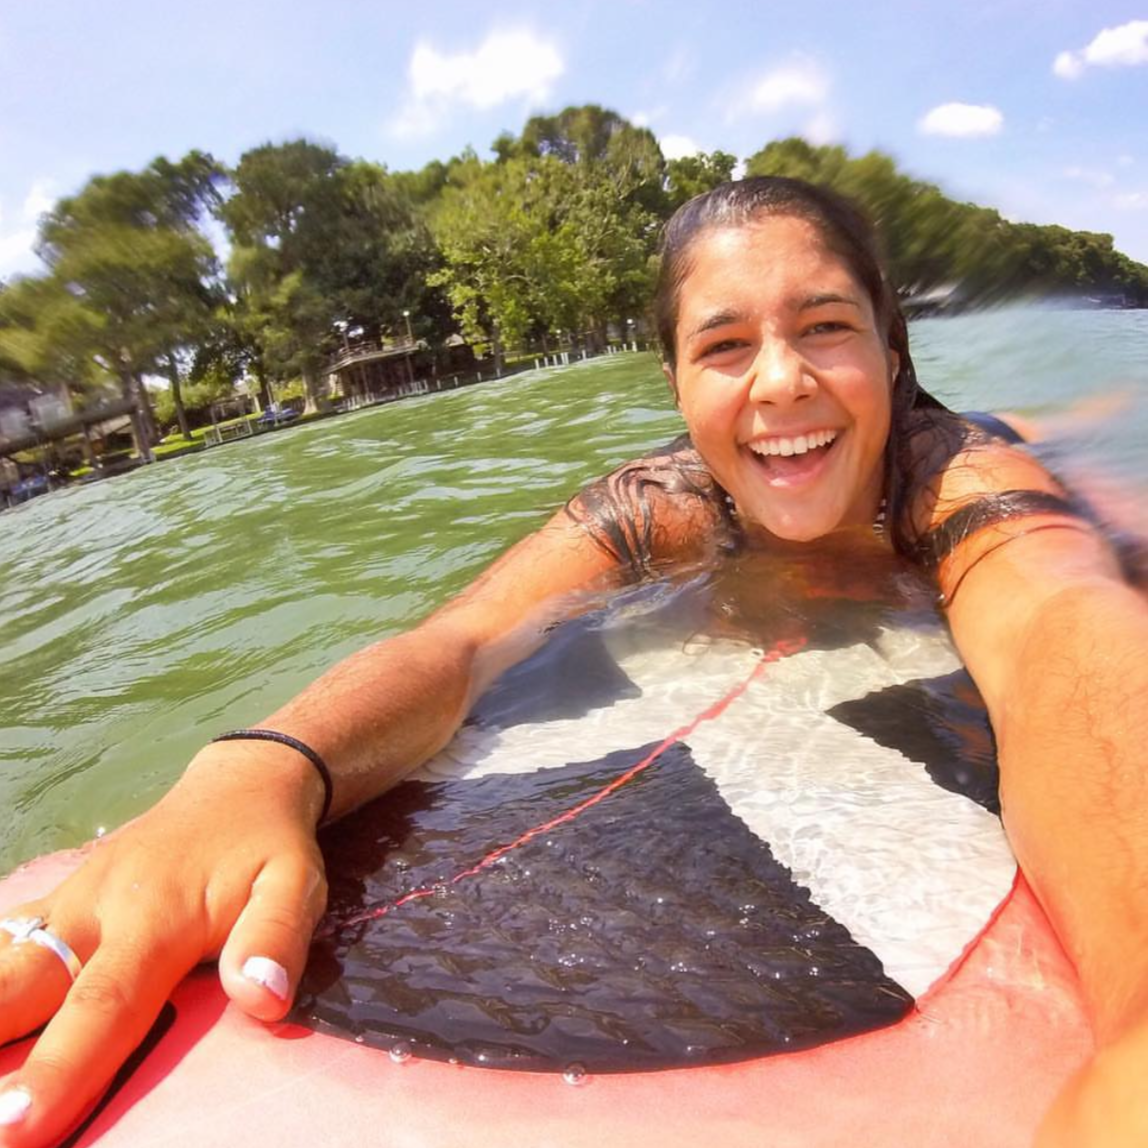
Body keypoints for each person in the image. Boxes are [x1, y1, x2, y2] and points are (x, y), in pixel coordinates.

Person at [1, 177, 1145, 1147]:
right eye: (724, 345)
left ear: (892, 352)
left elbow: (1055, 622)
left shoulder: (952, 477)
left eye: (826, 326)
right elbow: (458, 639)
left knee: (1059, 441)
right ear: (675, 387)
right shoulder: (663, 507)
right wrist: (255, 769)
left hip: (993, 456)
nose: (780, 380)